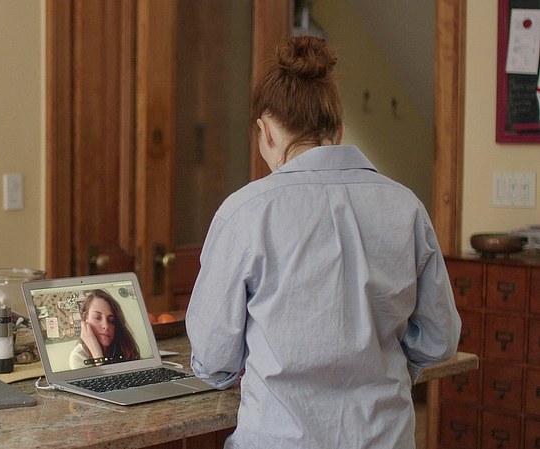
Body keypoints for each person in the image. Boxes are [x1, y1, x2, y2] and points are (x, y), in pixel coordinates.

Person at [186, 36, 461, 449]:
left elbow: (213, 361)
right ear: (339, 130)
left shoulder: (245, 213)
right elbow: (439, 342)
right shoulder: (406, 207)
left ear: (265, 132)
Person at [69, 289, 140, 369]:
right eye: (97, 317)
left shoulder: (124, 346)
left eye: (111, 320)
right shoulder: (78, 357)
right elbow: (106, 378)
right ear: (85, 317)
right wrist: (97, 353)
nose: (106, 326)